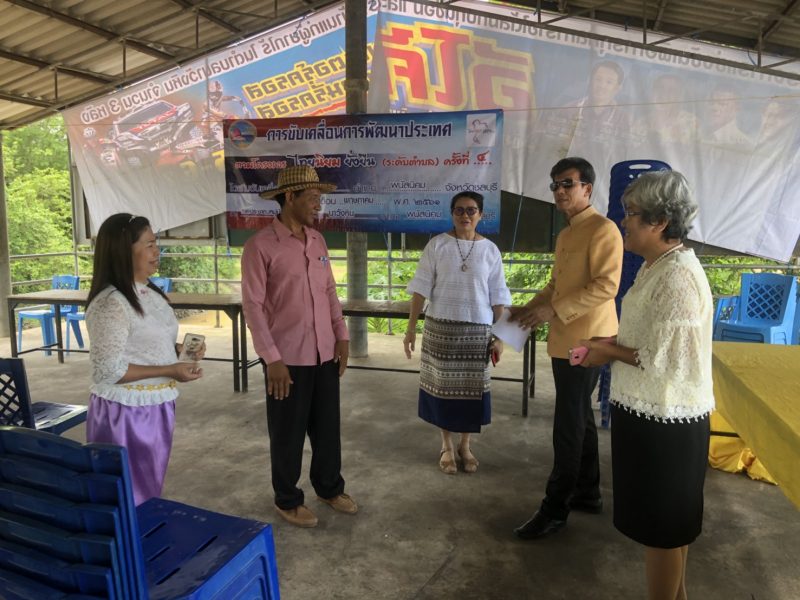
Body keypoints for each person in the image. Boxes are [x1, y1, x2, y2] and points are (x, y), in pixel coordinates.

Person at [577, 171, 714, 600]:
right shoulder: (658, 266)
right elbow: (648, 336)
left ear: (660, 221)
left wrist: (606, 352)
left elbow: (664, 359)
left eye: (632, 213)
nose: (624, 222)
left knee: (663, 531)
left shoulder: (677, 277)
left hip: (667, 419)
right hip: (649, 411)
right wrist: (608, 343)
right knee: (667, 530)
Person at [509, 157, 623, 540]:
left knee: (568, 426)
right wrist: (530, 308)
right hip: (565, 340)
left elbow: (607, 285)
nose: (559, 191)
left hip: (589, 341)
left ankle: (554, 509)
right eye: (555, 185)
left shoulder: (604, 230)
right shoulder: (567, 234)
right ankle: (587, 492)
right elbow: (556, 285)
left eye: (567, 184)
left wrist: (552, 310)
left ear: (587, 188)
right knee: (580, 417)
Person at [241, 165, 355, 529]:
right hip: (286, 359)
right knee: (287, 433)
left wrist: (341, 335)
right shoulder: (260, 246)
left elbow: (329, 291)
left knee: (327, 428)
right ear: (290, 197)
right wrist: (271, 358)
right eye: (313, 198)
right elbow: (253, 306)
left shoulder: (317, 240)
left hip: (324, 352)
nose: (318, 205)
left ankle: (329, 487)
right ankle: (287, 499)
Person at [85, 213, 204, 506]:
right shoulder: (111, 303)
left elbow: (143, 341)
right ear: (123, 251)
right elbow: (108, 370)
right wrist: (170, 369)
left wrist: (178, 350)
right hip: (125, 414)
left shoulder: (149, 292)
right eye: (149, 245)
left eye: (156, 243)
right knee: (127, 498)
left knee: (148, 489)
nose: (156, 251)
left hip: (154, 407)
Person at [403, 191, 511, 474]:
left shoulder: (490, 250)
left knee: (471, 392)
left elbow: (499, 296)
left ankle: (465, 446)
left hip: (477, 332)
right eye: (459, 210)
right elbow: (420, 289)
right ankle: (447, 446)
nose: (465, 215)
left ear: (481, 215)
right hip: (441, 330)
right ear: (452, 214)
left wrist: (501, 337)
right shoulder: (437, 245)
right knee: (443, 391)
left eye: (471, 210)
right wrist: (410, 329)